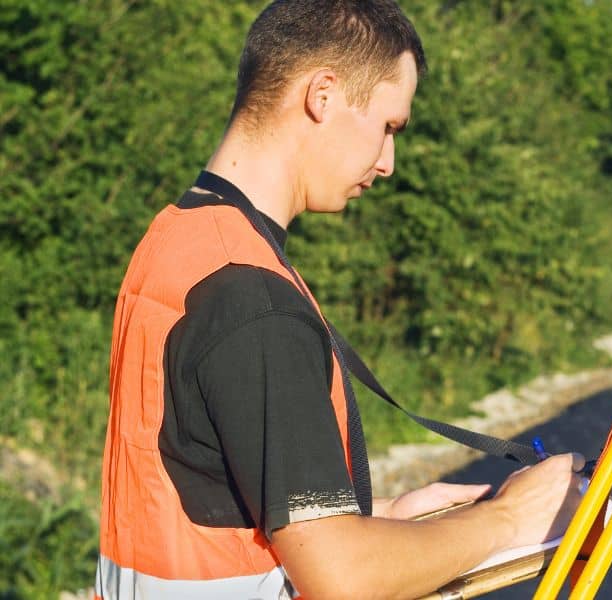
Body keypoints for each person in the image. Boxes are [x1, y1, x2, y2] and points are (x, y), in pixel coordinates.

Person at [95, 1, 585, 598]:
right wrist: (510, 518)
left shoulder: (180, 238)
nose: (388, 162)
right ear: (322, 95)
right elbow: (342, 580)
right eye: (389, 127)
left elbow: (205, 487)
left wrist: (383, 523)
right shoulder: (254, 299)